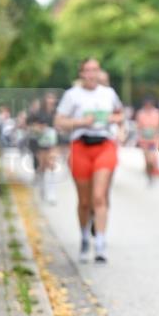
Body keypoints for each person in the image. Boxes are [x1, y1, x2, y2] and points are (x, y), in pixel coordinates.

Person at [54, 58, 124, 264]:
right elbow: (59, 121)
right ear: (81, 73)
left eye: (95, 70)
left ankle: (100, 242)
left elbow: (120, 115)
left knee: (99, 197)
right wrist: (81, 122)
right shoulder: (72, 95)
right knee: (84, 202)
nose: (92, 74)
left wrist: (113, 121)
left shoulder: (108, 93)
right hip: (80, 147)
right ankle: (85, 237)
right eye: (87, 70)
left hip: (104, 145)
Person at [27, 91, 60, 203]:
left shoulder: (57, 112)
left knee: (52, 165)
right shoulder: (38, 113)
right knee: (42, 166)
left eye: (53, 99)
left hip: (53, 142)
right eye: (49, 98)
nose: (51, 101)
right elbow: (29, 124)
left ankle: (51, 192)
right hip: (41, 142)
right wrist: (38, 127)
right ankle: (42, 188)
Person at [135, 98, 159, 184]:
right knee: (147, 160)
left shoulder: (157, 113)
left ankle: (152, 174)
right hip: (144, 140)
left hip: (153, 140)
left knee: (151, 159)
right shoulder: (140, 113)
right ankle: (148, 174)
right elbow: (138, 127)